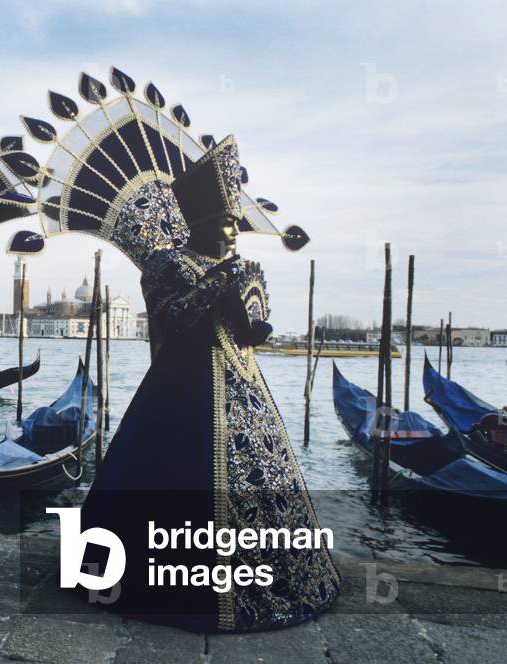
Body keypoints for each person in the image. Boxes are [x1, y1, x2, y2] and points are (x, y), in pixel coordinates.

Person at [79, 135, 339, 633]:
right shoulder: (166, 264)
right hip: (179, 393)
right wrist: (212, 286)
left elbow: (253, 331)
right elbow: (170, 319)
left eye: (236, 220)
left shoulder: (243, 267)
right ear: (198, 221)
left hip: (243, 388)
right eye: (225, 220)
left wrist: (247, 303)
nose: (234, 229)